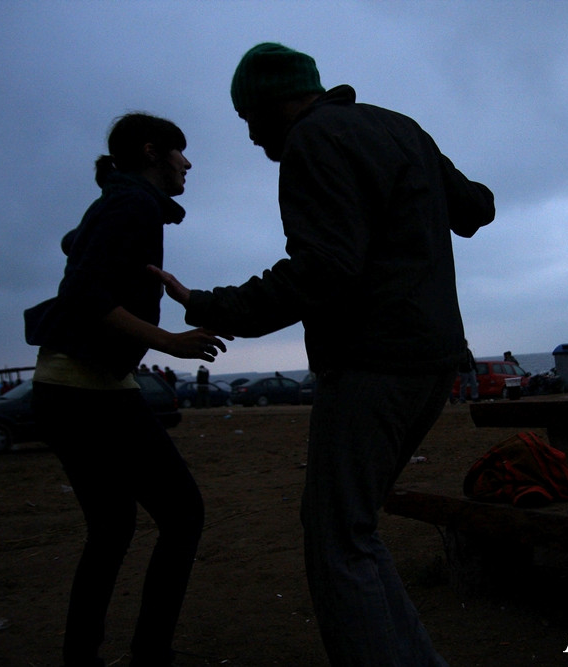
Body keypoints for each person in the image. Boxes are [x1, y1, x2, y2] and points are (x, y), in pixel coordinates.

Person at [150, 42, 494, 666]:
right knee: (350, 530)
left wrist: (207, 303)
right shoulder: (398, 126)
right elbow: (477, 208)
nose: (252, 139)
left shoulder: (312, 141)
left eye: (250, 120)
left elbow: (325, 270)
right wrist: (415, 171)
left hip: (371, 362)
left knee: (337, 542)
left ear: (277, 102)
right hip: (436, 358)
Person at [23, 113, 227, 667]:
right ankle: (150, 653)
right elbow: (87, 292)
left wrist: (84, 241)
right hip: (88, 393)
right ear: (151, 152)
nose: (188, 163)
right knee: (182, 515)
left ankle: (84, 657)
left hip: (70, 388)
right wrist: (170, 342)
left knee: (112, 529)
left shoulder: (124, 205)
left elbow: (80, 249)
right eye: (179, 152)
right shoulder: (131, 204)